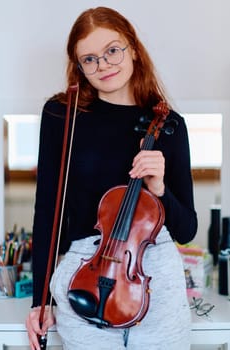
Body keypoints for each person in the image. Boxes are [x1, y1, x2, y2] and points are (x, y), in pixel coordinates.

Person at [26, 6, 198, 350]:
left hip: (153, 281)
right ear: (79, 67)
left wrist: (159, 188)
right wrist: (39, 300)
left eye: (112, 50)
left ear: (133, 47)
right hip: (85, 277)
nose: (103, 65)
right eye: (89, 59)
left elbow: (186, 230)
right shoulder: (62, 114)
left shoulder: (169, 124)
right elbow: (48, 210)